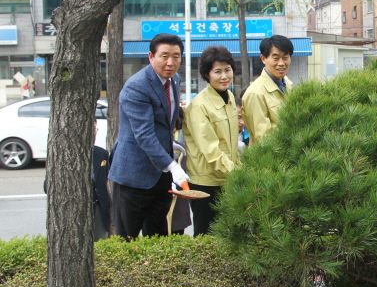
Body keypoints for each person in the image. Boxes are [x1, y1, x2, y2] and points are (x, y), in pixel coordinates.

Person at [108, 33, 189, 239]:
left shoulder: (174, 80)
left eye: (176, 56)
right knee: (128, 238)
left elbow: (164, 124)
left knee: (159, 235)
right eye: (164, 56)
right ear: (151, 56)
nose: (171, 62)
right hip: (132, 174)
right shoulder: (137, 86)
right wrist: (172, 166)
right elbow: (144, 135)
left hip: (160, 175)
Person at [183, 46, 240, 236]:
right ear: (207, 75)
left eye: (227, 69)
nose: (224, 76)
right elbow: (211, 150)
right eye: (218, 71)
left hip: (227, 178)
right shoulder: (199, 106)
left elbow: (231, 143)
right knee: (206, 236)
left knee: (228, 234)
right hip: (206, 183)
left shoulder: (229, 97)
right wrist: (238, 173)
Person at [44, 119, 110, 241]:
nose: (93, 133)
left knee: (101, 246)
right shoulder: (62, 154)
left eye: (95, 129)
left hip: (98, 210)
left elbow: (105, 182)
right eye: (89, 129)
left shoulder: (101, 154)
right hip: (73, 212)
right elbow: (47, 186)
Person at [241, 35, 293, 145]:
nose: (281, 63)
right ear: (263, 59)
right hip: (270, 159)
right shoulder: (255, 93)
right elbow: (263, 139)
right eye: (276, 58)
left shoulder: (288, 84)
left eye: (285, 57)